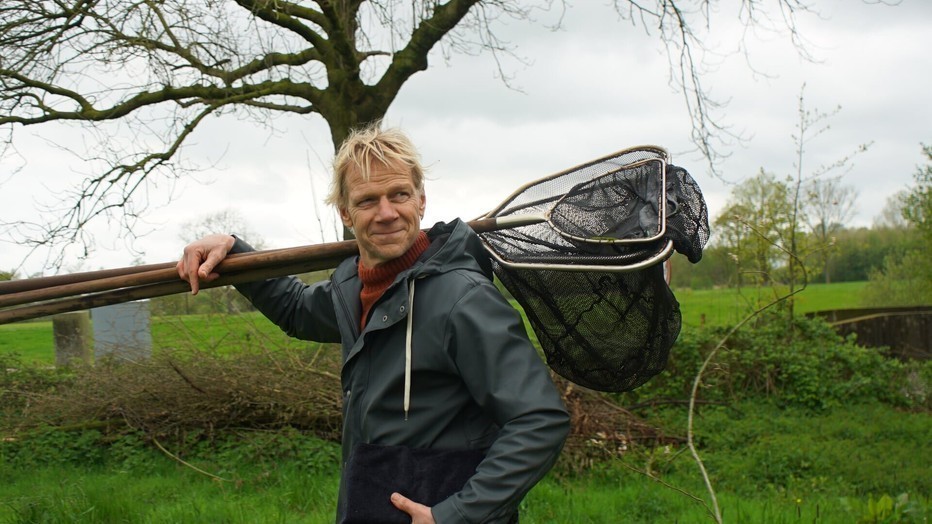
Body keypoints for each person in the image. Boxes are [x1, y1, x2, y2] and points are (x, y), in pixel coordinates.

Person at [176, 123, 570, 524]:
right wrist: (234, 251)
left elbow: (539, 420)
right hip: (370, 504)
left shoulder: (463, 299)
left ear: (421, 201)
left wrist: (455, 514)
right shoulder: (353, 288)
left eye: (399, 194)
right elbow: (296, 309)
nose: (386, 213)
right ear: (346, 213)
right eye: (367, 200)